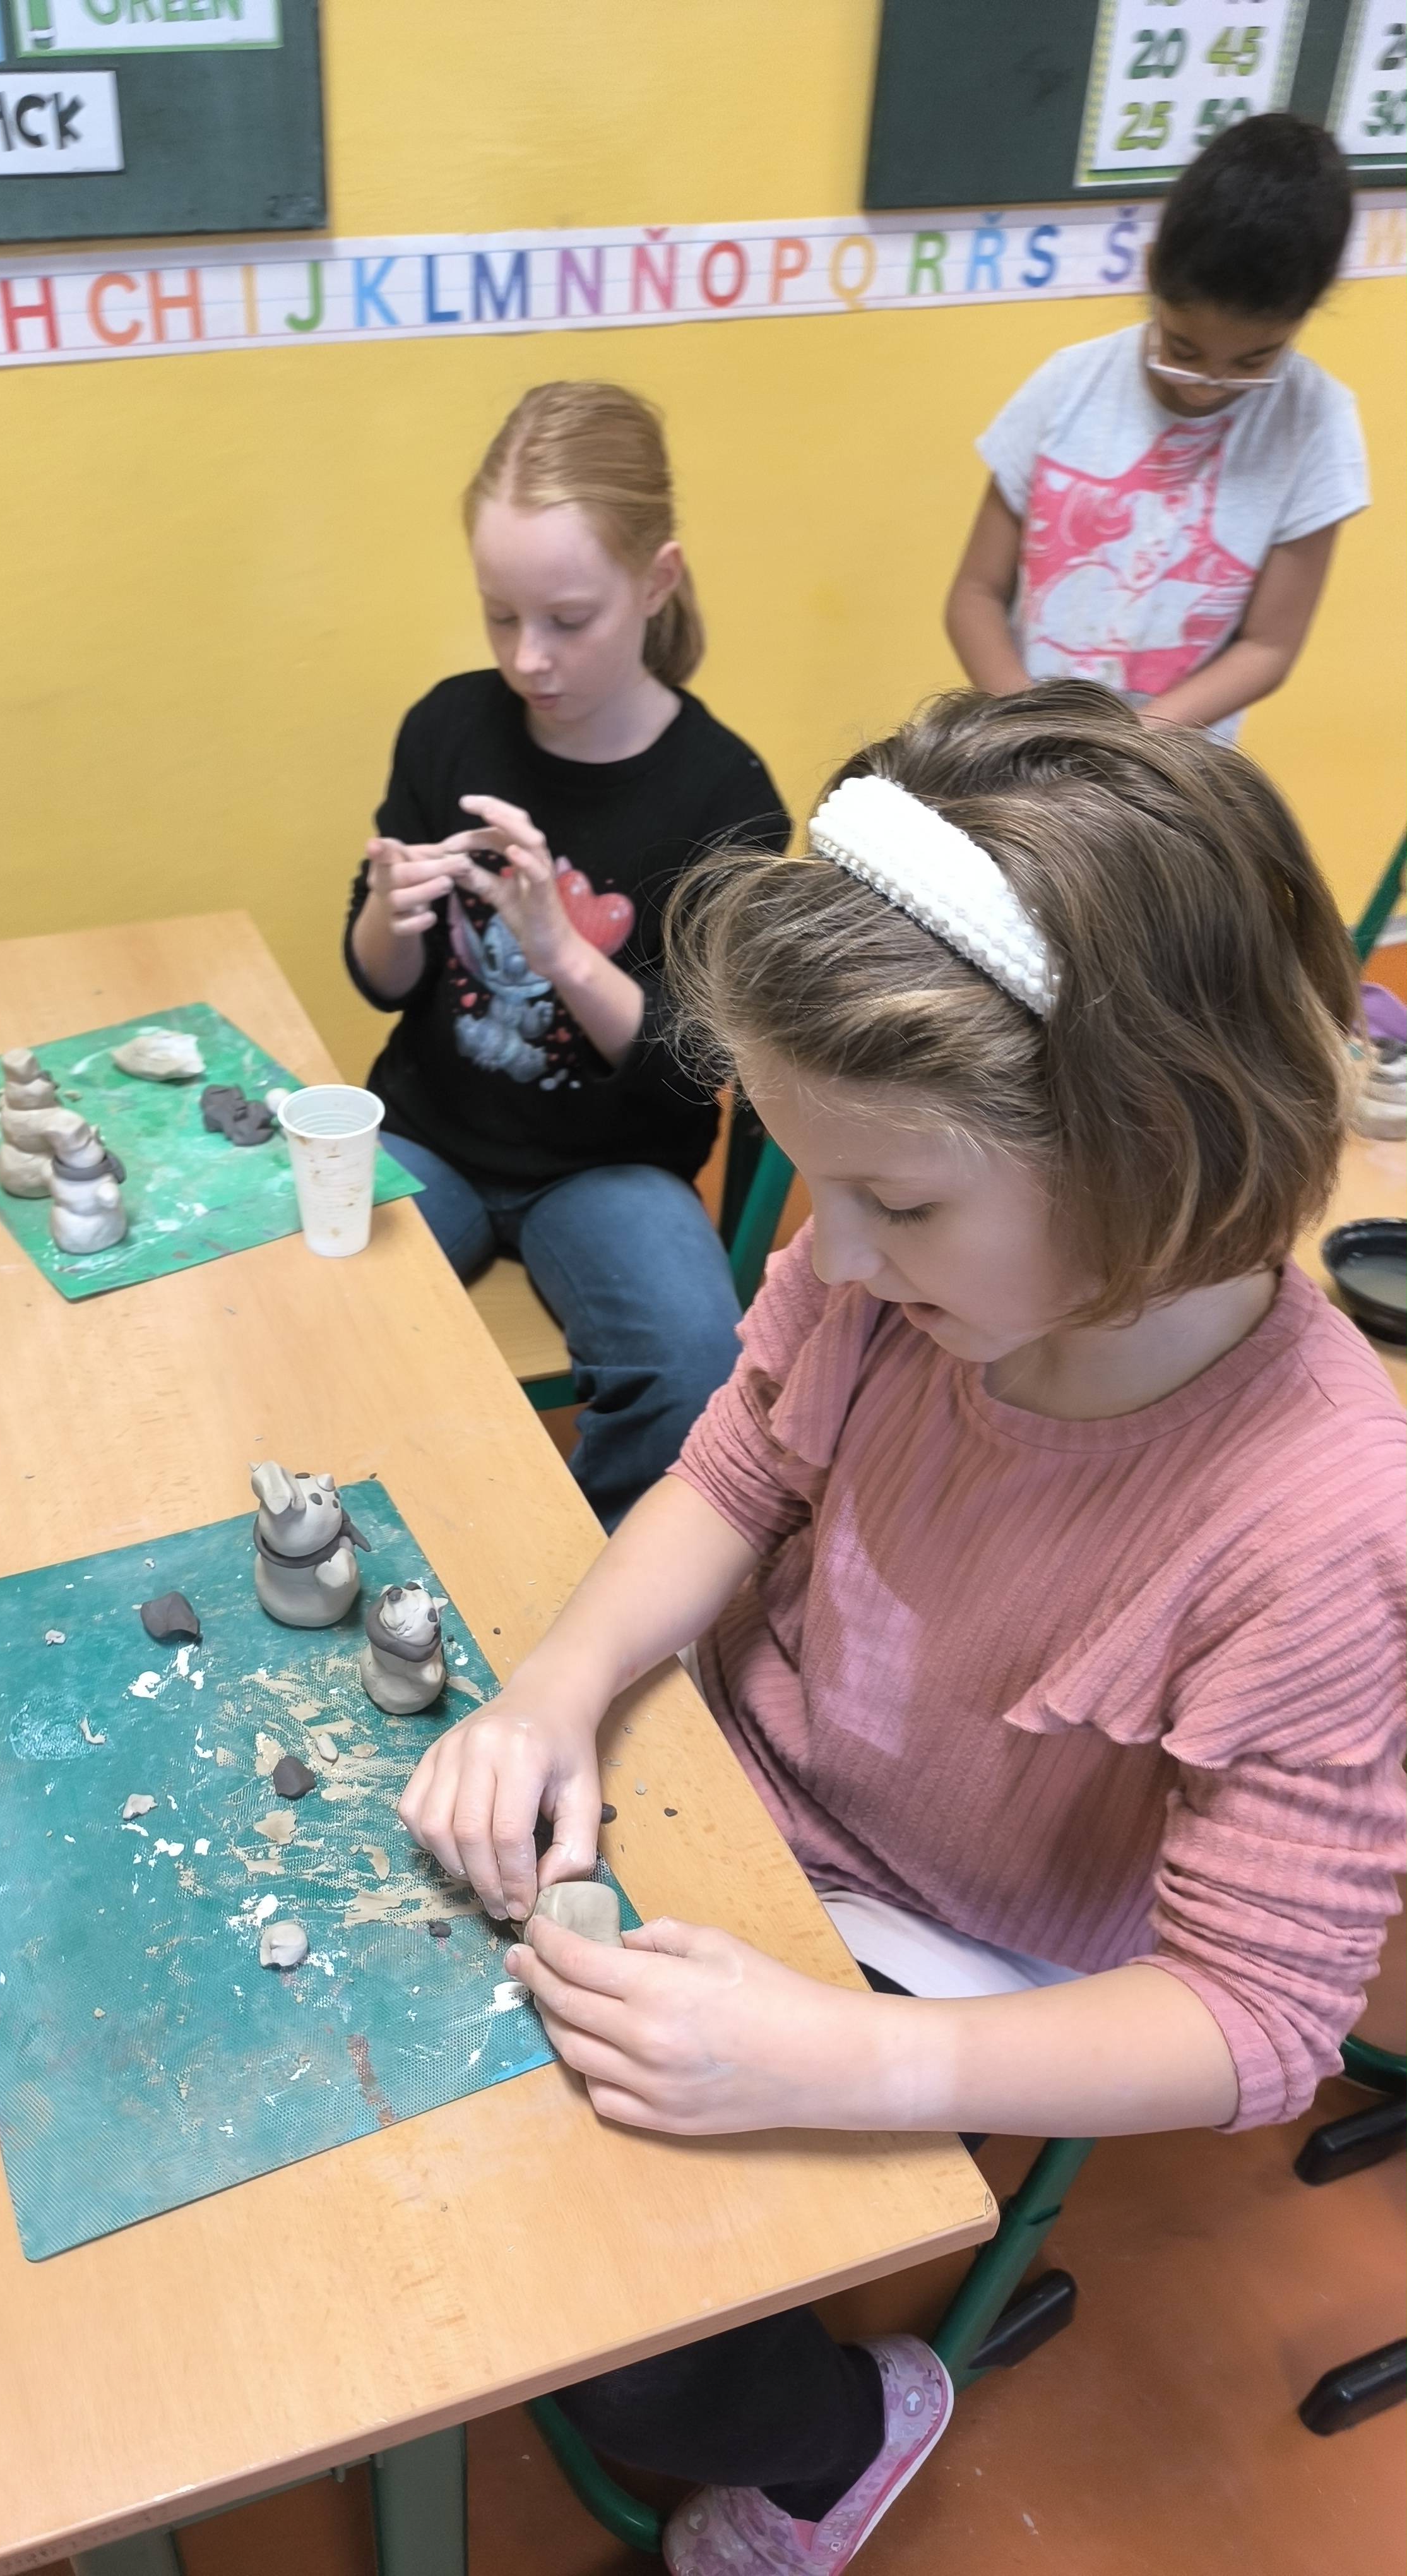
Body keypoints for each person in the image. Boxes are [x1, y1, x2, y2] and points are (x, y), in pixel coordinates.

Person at [399, 682, 1407, 2574]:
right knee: (431, 2049)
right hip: (746, 1778)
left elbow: (1264, 2017)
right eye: (821, 1185)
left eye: (901, 1202)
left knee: (610, 2317)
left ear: (1157, 1147)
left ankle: (846, 2422)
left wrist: (833, 2062)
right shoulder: (895, 1267)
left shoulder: (1322, 1516)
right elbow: (731, 1473)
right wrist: (557, 1686)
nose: (834, 1255)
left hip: (963, 1947)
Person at [344, 381, 789, 1529]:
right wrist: (388, 911)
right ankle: (349, 1539)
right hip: (430, 1135)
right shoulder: (450, 725)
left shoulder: (725, 795)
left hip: (613, 1166)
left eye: (568, 619)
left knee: (696, 1372)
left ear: (657, 582)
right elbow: (382, 984)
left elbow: (696, 1061)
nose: (528, 658)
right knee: (298, 1296)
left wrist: (563, 953)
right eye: (500, 617)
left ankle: (589, 1585)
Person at [946, 114, 1367, 737]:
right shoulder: (1068, 384)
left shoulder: (1316, 425)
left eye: (1253, 362)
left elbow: (1269, 647)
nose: (1207, 384)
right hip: (1026, 744)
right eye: (1183, 349)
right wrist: (1036, 733)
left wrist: (1126, 749)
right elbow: (975, 595)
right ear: (1150, 273)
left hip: (1165, 766)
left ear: (1302, 317)